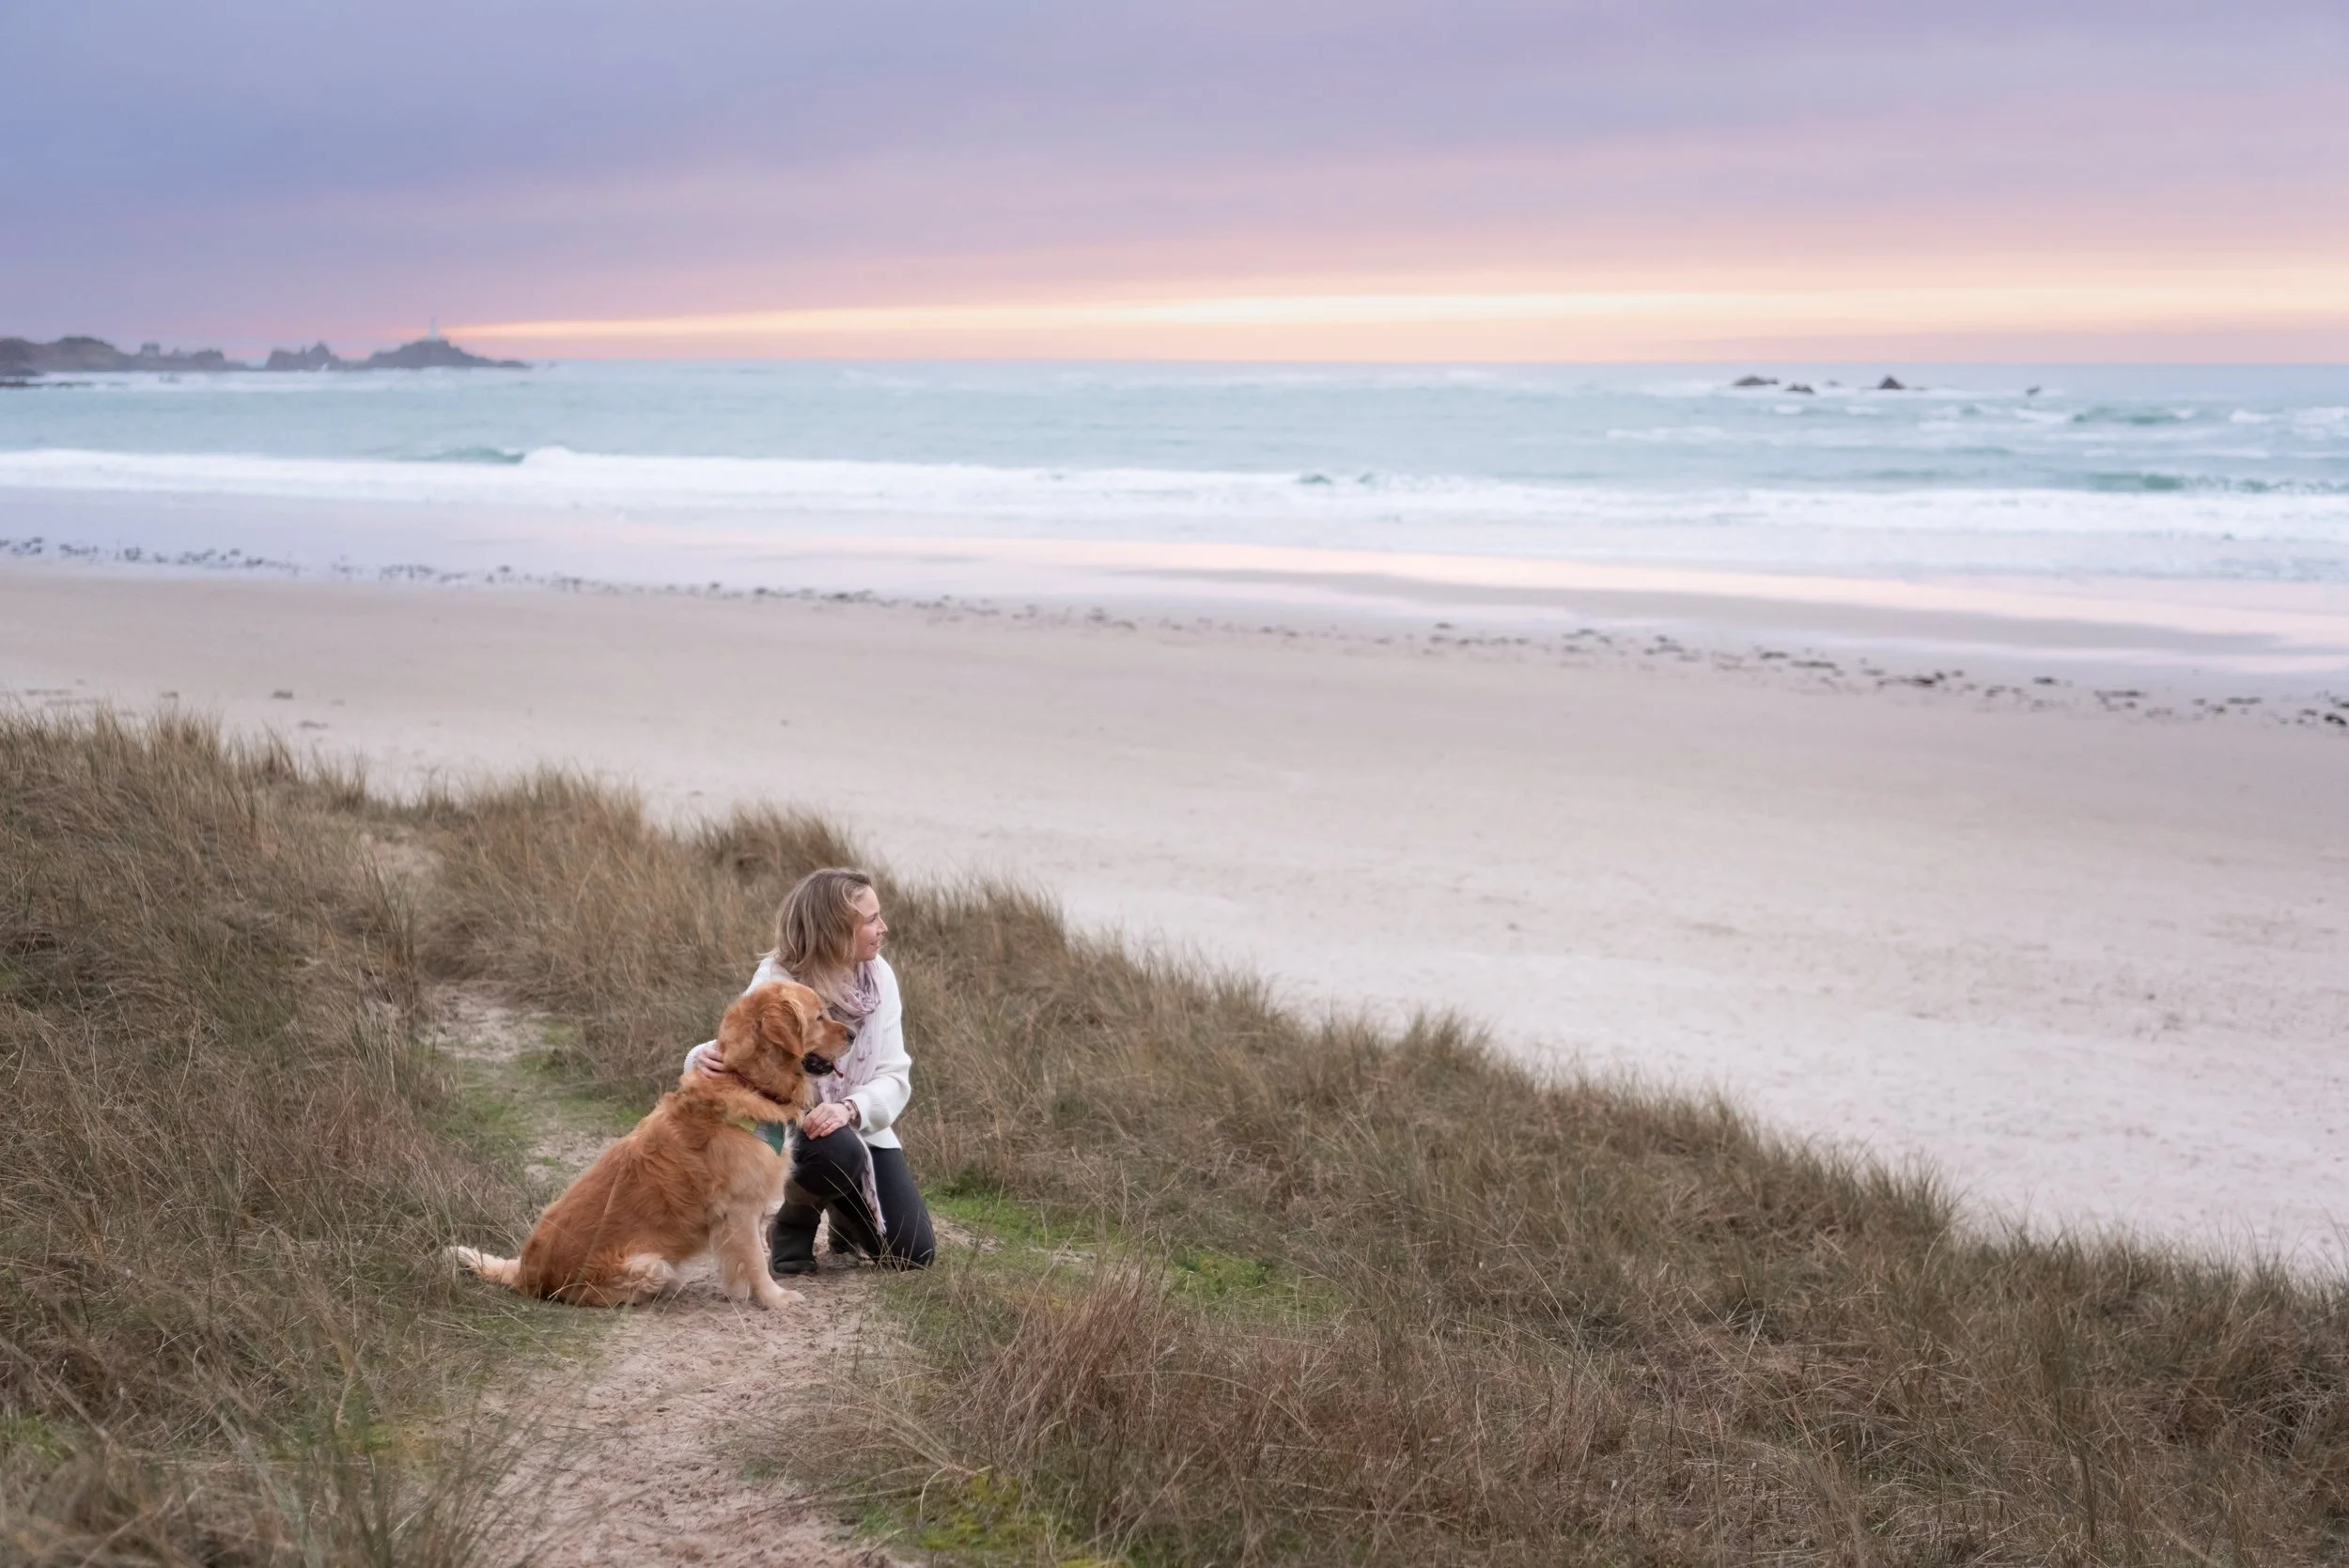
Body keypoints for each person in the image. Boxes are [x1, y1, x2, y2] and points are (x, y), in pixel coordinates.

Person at [683, 867, 936, 1272]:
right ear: (835, 930)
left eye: (879, 916)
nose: (883, 928)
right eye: (871, 920)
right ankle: (794, 1221)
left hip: (858, 1123)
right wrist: (700, 1057)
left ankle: (843, 1213)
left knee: (913, 1255)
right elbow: (740, 1049)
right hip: (791, 1123)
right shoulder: (777, 979)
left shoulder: (881, 979)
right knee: (834, 1149)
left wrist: (850, 1108)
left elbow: (893, 1074)